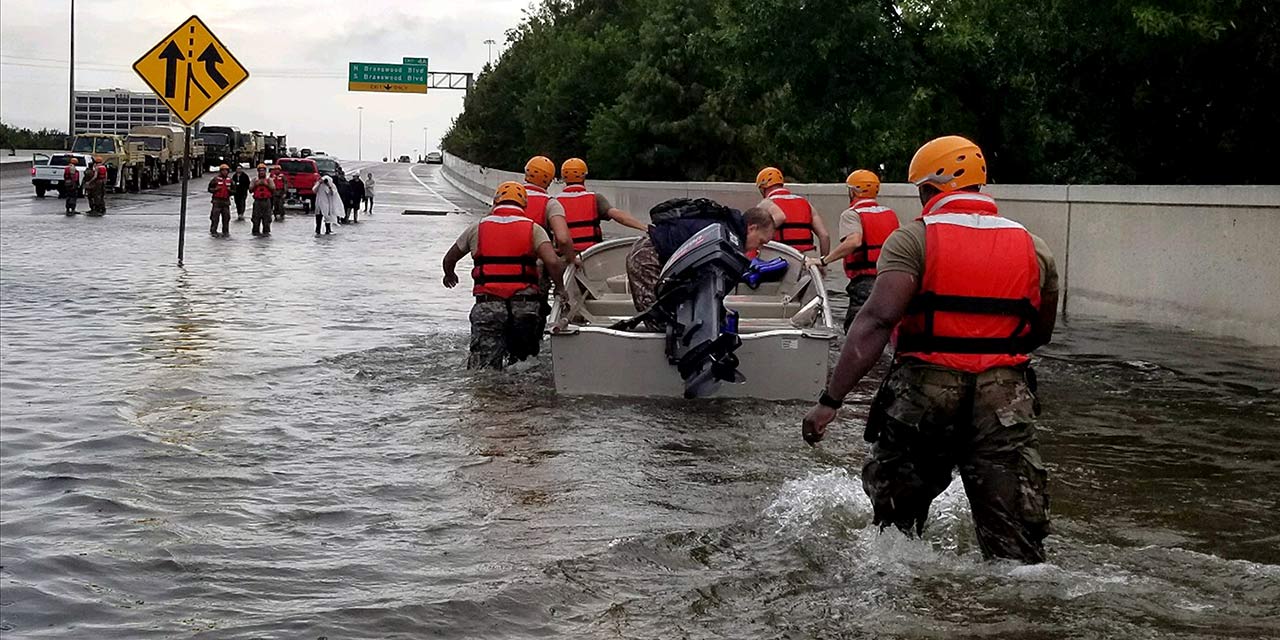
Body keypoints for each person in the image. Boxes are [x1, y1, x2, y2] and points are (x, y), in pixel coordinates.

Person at [801, 135, 1060, 564]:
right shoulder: (1034, 246)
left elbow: (876, 322)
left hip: (925, 394)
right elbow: (1039, 332)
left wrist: (831, 401)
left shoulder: (913, 240)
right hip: (1005, 400)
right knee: (1015, 549)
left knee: (896, 536)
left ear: (927, 189)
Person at [442, 181, 567, 370]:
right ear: (524, 204)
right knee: (524, 367)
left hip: (488, 305)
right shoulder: (533, 228)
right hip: (524, 306)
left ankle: (489, 398)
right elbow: (552, 262)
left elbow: (449, 258)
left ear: (495, 202)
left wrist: (449, 274)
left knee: (483, 369)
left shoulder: (477, 227)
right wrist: (560, 287)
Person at [624, 200, 781, 322]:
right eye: (760, 241)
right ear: (752, 228)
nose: (758, 248)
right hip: (647, 255)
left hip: (658, 252)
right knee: (658, 319)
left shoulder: (726, 228)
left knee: (673, 317)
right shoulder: (727, 239)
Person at [805, 170, 901, 331]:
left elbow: (854, 241)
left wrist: (823, 260)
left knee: (856, 329)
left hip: (865, 280)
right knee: (885, 327)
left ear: (853, 191)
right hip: (889, 278)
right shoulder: (889, 214)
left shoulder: (851, 214)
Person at [554, 157, 648, 260]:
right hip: (591, 255)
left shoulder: (554, 202)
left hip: (565, 256)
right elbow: (619, 216)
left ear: (563, 178)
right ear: (584, 176)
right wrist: (644, 227)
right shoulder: (595, 198)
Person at [755, 167, 829, 256]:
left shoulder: (766, 203)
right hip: (807, 256)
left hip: (782, 254)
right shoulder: (805, 203)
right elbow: (824, 236)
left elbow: (779, 218)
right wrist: (823, 262)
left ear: (763, 188)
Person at [207, 164, 233, 237]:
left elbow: (234, 191)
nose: (225, 172)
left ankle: (225, 231)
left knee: (226, 218)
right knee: (215, 218)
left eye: (226, 171)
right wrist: (215, 189)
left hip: (226, 202)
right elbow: (209, 189)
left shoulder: (230, 180)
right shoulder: (215, 180)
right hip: (217, 202)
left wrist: (229, 191)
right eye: (223, 171)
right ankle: (213, 231)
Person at [250, 163, 274, 236]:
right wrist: (256, 184)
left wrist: (266, 184)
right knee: (256, 218)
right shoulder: (254, 180)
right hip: (257, 201)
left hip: (266, 201)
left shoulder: (269, 180)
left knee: (267, 218)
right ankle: (255, 232)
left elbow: (273, 189)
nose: (262, 172)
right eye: (260, 171)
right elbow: (250, 190)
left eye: (263, 171)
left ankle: (266, 232)